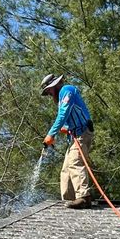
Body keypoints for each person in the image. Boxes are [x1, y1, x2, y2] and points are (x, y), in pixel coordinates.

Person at [40, 73, 95, 208]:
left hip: (82, 133)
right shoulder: (61, 97)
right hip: (74, 136)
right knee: (66, 170)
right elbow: (68, 117)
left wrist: (51, 134)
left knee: (75, 161)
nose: (49, 94)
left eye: (48, 91)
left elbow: (63, 114)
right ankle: (68, 201)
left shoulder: (66, 90)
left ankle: (84, 197)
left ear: (54, 85)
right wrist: (65, 128)